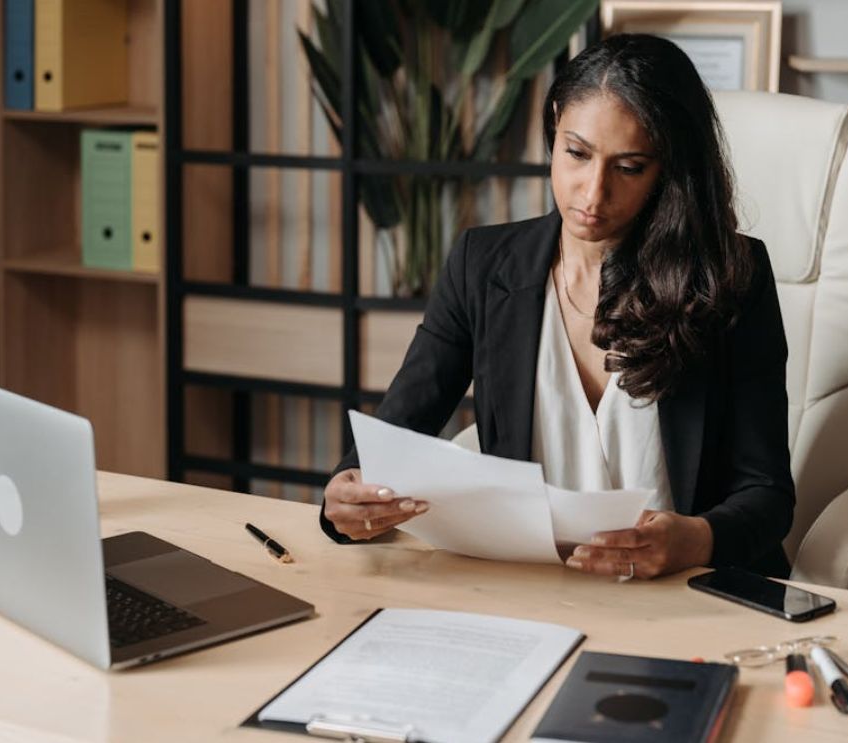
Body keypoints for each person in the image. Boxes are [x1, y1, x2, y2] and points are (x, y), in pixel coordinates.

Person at [319, 33, 795, 579]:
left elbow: (767, 495)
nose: (592, 195)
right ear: (553, 128)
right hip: (533, 587)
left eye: (630, 167)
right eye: (576, 153)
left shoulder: (730, 277)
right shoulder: (484, 265)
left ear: (670, 169)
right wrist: (347, 494)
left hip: (686, 590)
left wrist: (694, 541)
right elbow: (396, 434)